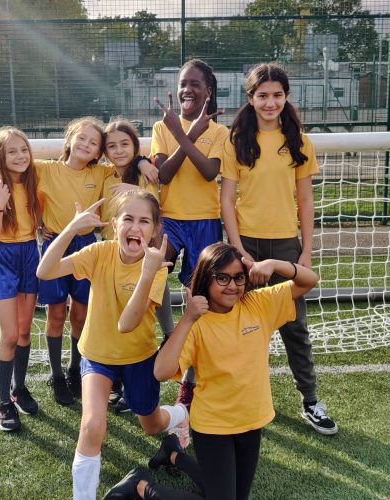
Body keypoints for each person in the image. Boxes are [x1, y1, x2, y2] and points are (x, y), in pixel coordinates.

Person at [104, 242, 319, 500]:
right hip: (213, 428)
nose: (232, 285)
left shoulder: (258, 304)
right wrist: (187, 318)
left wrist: (274, 264)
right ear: (207, 278)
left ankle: (173, 454)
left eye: (238, 277)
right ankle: (140, 486)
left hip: (252, 421)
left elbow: (309, 280)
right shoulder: (197, 322)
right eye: (222, 278)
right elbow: (161, 371)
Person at [36, 190, 189, 500]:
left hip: (139, 356)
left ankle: (180, 414)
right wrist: (71, 229)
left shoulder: (157, 267)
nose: (135, 227)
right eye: (128, 219)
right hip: (97, 354)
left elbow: (127, 323)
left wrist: (147, 272)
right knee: (92, 425)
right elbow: (45, 271)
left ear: (155, 229)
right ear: (115, 224)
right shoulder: (100, 252)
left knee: (151, 424)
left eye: (144, 221)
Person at [220, 63, 337, 435]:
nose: (270, 102)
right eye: (262, 95)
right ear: (251, 98)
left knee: (294, 328)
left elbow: (306, 200)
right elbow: (227, 201)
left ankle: (311, 401)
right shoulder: (237, 140)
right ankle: (234, 398)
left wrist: (306, 252)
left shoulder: (298, 141)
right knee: (238, 325)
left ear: (286, 97)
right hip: (247, 244)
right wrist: (238, 250)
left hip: (286, 246)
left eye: (277, 95)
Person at [151, 58, 228, 439]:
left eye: (195, 84)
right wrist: (184, 133)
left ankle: (191, 382)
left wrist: (190, 134)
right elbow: (164, 175)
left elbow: (208, 171)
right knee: (152, 275)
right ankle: (169, 335)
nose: (187, 89)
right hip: (170, 219)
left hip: (204, 222)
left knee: (201, 299)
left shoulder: (219, 131)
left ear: (208, 91)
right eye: (183, 83)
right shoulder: (161, 127)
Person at [102, 119, 174, 414]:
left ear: (135, 146)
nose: (119, 151)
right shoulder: (104, 176)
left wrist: (141, 167)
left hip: (143, 261)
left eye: (125, 144)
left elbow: (151, 213)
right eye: (112, 146)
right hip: (112, 262)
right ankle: (117, 382)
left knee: (144, 324)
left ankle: (145, 382)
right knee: (116, 321)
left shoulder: (146, 175)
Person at [36, 116, 109, 406]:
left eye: (93, 143)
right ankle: (56, 376)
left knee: (80, 315)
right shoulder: (45, 169)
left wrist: (142, 162)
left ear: (98, 152)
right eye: (82, 138)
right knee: (56, 315)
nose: (86, 145)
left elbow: (128, 162)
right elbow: (18, 179)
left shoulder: (101, 173)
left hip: (85, 246)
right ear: (69, 139)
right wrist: (38, 220)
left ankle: (75, 369)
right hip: (55, 245)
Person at [0, 126, 42, 431]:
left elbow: (38, 220)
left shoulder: (33, 183)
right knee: (10, 335)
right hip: (1, 256)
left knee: (25, 332)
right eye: (12, 151)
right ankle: (3, 404)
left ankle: (19, 389)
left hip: (29, 253)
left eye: (24, 149)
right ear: (0, 156)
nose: (20, 156)